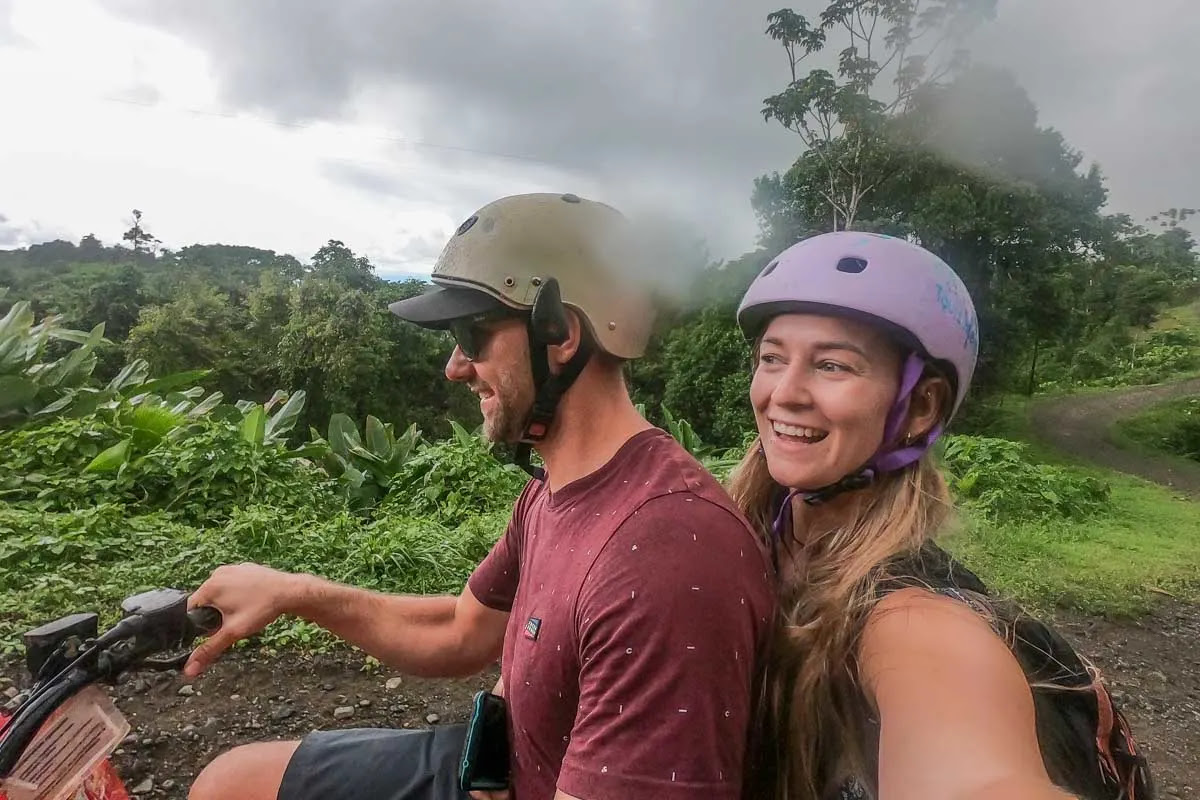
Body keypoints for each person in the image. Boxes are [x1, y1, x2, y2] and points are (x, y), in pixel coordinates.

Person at [183, 192, 776, 800]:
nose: (454, 367)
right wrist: (294, 593)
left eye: (473, 334)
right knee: (228, 784)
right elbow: (461, 630)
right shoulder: (558, 489)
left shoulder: (663, 556)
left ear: (562, 334)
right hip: (501, 769)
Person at [726, 231, 1154, 800]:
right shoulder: (745, 536)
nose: (785, 391)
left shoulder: (914, 620)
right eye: (772, 358)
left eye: (832, 365)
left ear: (921, 406)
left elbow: (977, 776)